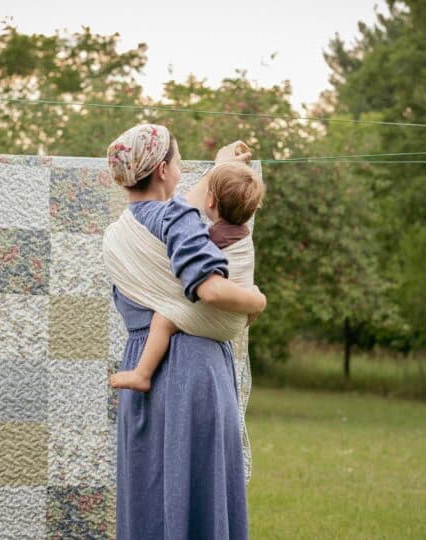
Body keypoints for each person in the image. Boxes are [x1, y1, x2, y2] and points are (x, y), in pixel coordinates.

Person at [104, 124, 265, 539]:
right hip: (193, 371)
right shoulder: (177, 218)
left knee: (149, 496)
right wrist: (257, 301)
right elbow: (209, 289)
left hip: (143, 369)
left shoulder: (122, 232)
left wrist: (221, 168)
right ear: (162, 169)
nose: (182, 172)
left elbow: (188, 209)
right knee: (199, 498)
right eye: (177, 162)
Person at [108, 161, 265, 393]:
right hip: (234, 323)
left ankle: (142, 374)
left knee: (164, 319)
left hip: (220, 321)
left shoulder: (214, 236)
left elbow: (187, 241)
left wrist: (259, 301)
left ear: (210, 201)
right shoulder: (241, 234)